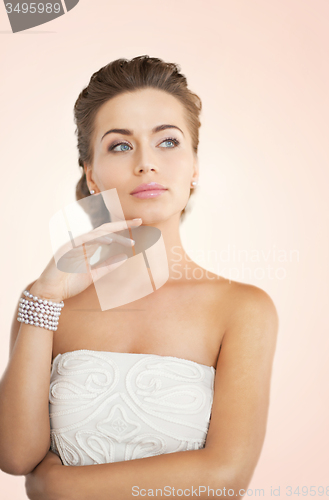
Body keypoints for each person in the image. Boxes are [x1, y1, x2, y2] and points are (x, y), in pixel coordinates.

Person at [0, 55, 278, 500]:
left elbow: (225, 478)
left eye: (167, 142)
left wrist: (62, 488)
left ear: (194, 167)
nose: (147, 163)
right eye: (121, 146)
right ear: (91, 175)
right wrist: (47, 294)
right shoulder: (44, 301)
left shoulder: (242, 308)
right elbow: (15, 456)